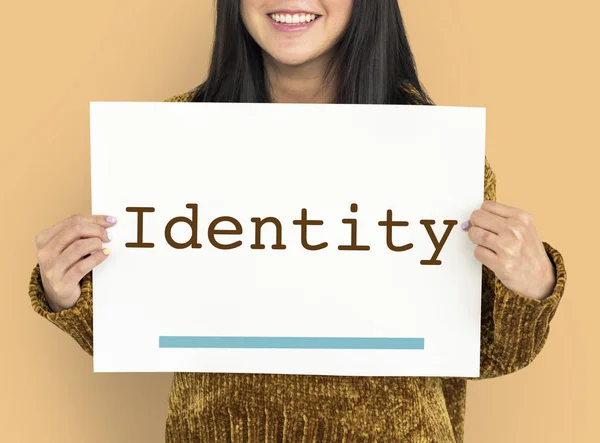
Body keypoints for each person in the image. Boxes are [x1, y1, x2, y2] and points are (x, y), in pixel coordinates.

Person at [28, 1, 567, 442]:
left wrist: (533, 282)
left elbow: (489, 353)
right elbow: (143, 333)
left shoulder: (437, 151)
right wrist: (66, 290)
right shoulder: (168, 139)